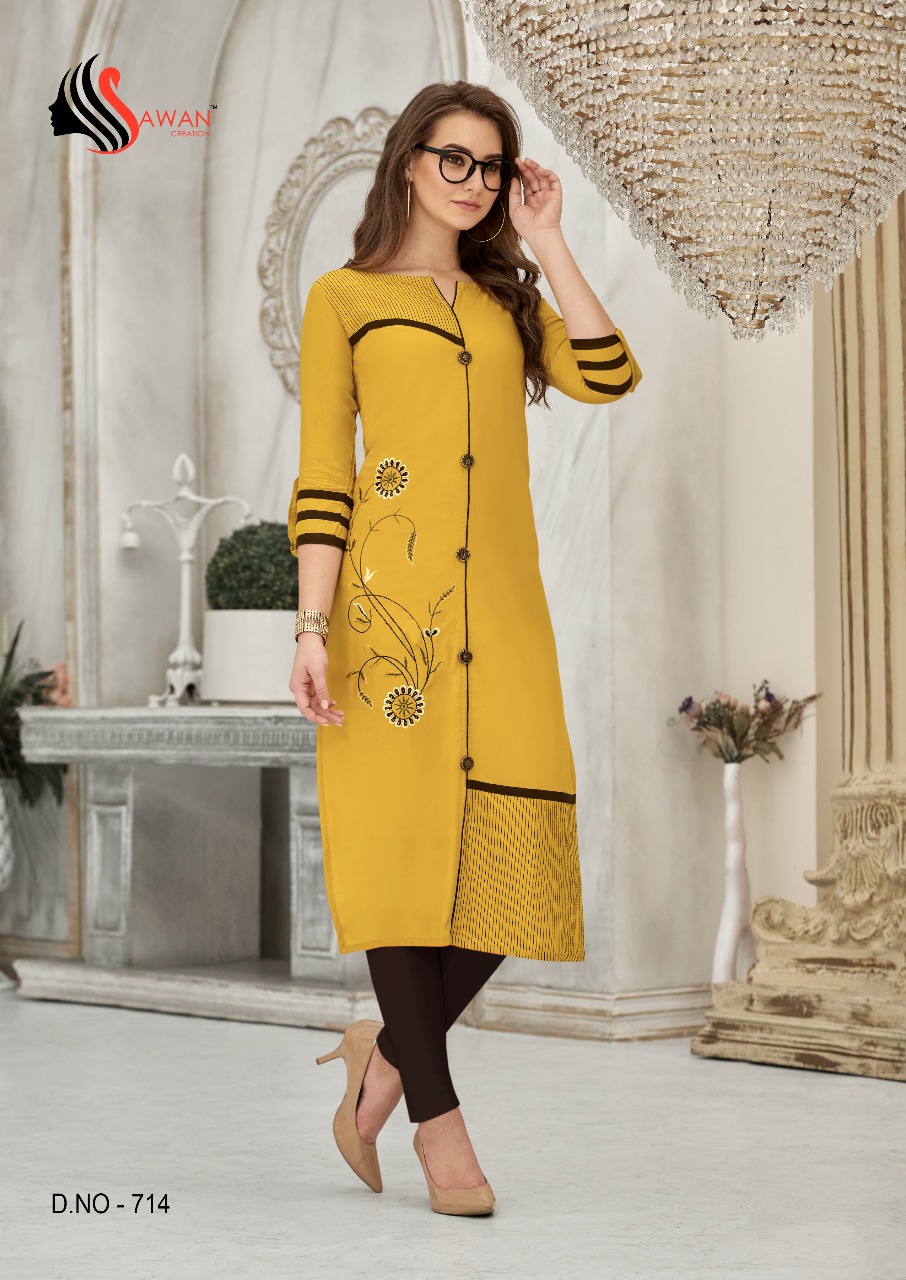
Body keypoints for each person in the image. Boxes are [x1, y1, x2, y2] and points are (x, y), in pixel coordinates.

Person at [289, 80, 642, 1215]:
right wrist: (310, 627)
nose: (476, 182)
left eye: (492, 166)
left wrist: (547, 239)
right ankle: (438, 1127)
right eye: (457, 159)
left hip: (507, 621)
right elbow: (324, 480)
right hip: (389, 627)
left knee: (520, 859)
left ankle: (384, 1052)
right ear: (408, 161)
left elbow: (610, 372)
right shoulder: (343, 300)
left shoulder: (505, 301)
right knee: (403, 869)